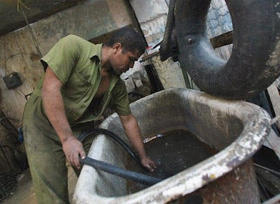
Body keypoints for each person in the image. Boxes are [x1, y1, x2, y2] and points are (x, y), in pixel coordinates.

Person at [22, 27, 156, 204]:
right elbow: (50, 89)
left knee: (100, 173)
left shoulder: (116, 86)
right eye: (131, 59)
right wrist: (67, 139)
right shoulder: (73, 47)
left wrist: (143, 156)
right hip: (42, 125)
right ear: (117, 47)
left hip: (79, 126)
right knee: (51, 187)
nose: (131, 66)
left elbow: (128, 119)